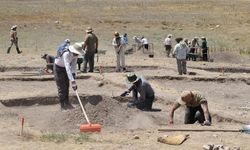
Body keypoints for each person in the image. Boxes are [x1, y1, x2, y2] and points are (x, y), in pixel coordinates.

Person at [54, 42, 83, 110]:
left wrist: (73, 77)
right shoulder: (66, 54)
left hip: (66, 69)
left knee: (67, 86)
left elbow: (73, 66)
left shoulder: (75, 55)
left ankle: (67, 103)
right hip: (58, 68)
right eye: (76, 53)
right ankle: (62, 106)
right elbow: (67, 67)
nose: (77, 54)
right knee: (61, 87)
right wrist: (72, 81)